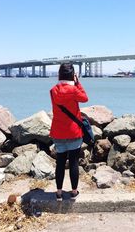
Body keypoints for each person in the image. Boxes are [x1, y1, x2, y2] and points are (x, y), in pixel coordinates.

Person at [49, 63, 88, 201]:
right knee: (73, 163)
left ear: (60, 74)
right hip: (73, 132)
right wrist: (78, 83)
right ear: (73, 75)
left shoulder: (53, 90)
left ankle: (59, 193)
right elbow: (84, 98)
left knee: (60, 162)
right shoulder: (74, 90)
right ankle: (73, 192)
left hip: (58, 132)